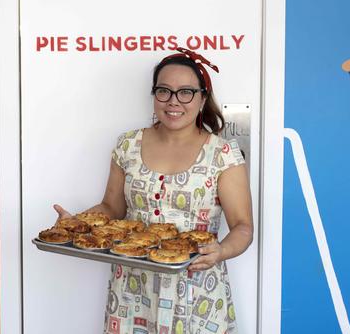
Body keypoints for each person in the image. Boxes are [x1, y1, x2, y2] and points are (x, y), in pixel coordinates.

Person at [53, 48, 253, 334]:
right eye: (164, 91)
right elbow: (112, 208)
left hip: (196, 290)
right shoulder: (128, 145)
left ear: (202, 98)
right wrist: (78, 224)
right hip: (133, 290)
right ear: (154, 95)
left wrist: (221, 251)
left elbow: (244, 227)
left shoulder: (223, 154)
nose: (174, 102)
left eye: (186, 92)